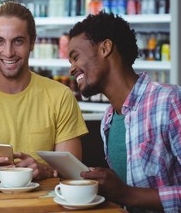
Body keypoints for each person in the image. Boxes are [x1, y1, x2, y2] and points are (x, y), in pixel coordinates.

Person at [0, 1, 88, 184]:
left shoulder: (60, 97)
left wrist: (46, 170)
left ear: (32, 42)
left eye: (18, 41)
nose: (8, 52)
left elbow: (73, 174)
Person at [67, 11, 181, 212]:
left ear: (105, 48)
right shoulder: (108, 121)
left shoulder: (169, 101)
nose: (72, 68)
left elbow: (126, 194)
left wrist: (127, 193)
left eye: (75, 57)